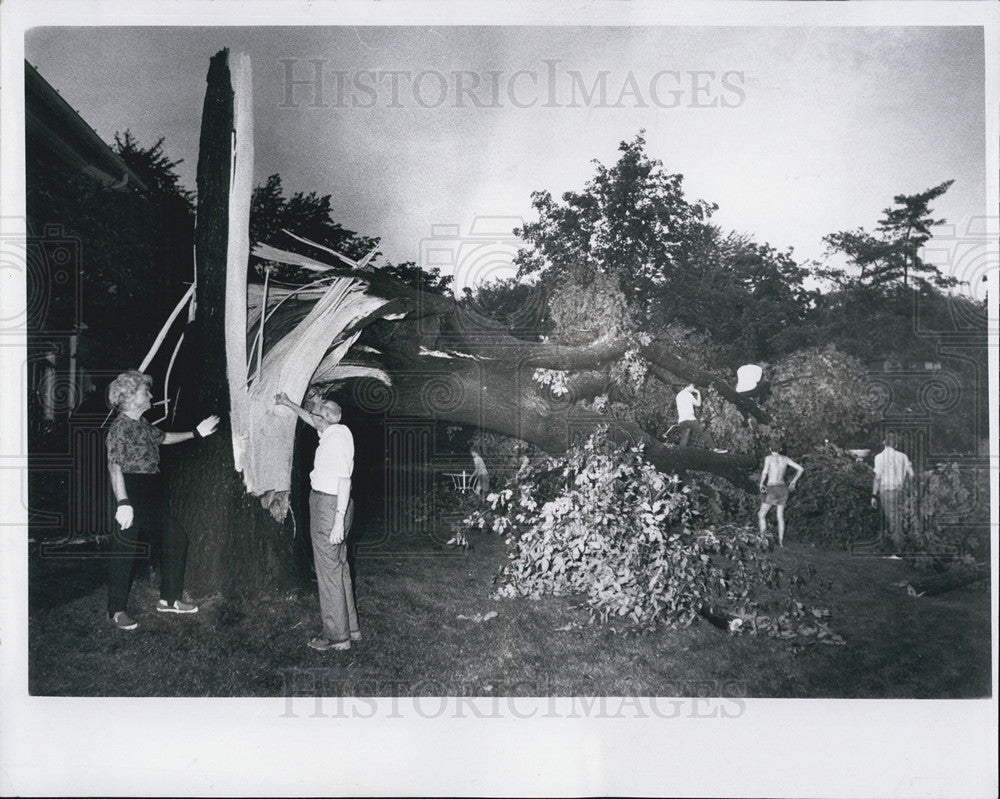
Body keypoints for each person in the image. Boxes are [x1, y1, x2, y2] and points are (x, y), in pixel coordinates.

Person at [105, 370, 219, 630]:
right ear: (133, 397)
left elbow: (164, 438)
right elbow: (114, 466)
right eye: (146, 391)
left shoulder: (142, 424)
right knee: (125, 551)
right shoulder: (119, 428)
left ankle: (169, 600)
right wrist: (123, 502)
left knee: (175, 538)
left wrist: (196, 433)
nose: (151, 395)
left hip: (152, 489)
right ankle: (117, 610)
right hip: (131, 490)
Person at [276, 391, 360, 651]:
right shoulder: (338, 432)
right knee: (339, 566)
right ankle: (352, 629)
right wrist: (289, 404)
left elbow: (344, 481)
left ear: (326, 417)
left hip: (330, 506)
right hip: (337, 506)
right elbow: (314, 421)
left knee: (328, 571)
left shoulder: (335, 442)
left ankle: (337, 637)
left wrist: (336, 521)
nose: (313, 414)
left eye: (317, 411)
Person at [871, 432, 914, 551]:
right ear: (895, 445)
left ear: (884, 443)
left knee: (893, 520)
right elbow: (912, 475)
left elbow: (877, 478)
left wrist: (873, 495)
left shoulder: (879, 457)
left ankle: (898, 551)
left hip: (887, 491)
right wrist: (907, 487)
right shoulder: (903, 456)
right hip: (901, 491)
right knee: (900, 518)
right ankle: (904, 546)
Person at [757, 439, 804, 547]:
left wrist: (761, 484)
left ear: (770, 448)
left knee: (761, 514)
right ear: (781, 449)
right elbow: (801, 469)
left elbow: (765, 472)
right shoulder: (785, 459)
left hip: (772, 487)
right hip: (782, 488)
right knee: (780, 516)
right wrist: (793, 482)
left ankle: (764, 540)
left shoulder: (768, 458)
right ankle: (781, 542)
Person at [674, 383, 726, 452]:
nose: (693, 389)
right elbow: (698, 404)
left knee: (684, 438)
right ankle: (715, 449)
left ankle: (679, 454)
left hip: (681, 420)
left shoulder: (678, 395)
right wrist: (698, 393)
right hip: (690, 419)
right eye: (693, 387)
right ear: (689, 386)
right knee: (705, 432)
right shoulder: (688, 394)